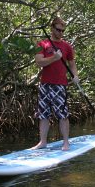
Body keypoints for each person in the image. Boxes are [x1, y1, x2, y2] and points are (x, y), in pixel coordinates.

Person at [31, 17, 79, 151]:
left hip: (60, 85)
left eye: (63, 30)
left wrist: (75, 76)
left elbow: (72, 64)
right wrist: (55, 58)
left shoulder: (67, 46)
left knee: (62, 114)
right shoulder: (43, 44)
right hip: (45, 84)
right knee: (43, 114)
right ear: (52, 28)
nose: (61, 33)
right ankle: (43, 142)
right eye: (58, 30)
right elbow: (39, 62)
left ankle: (66, 143)